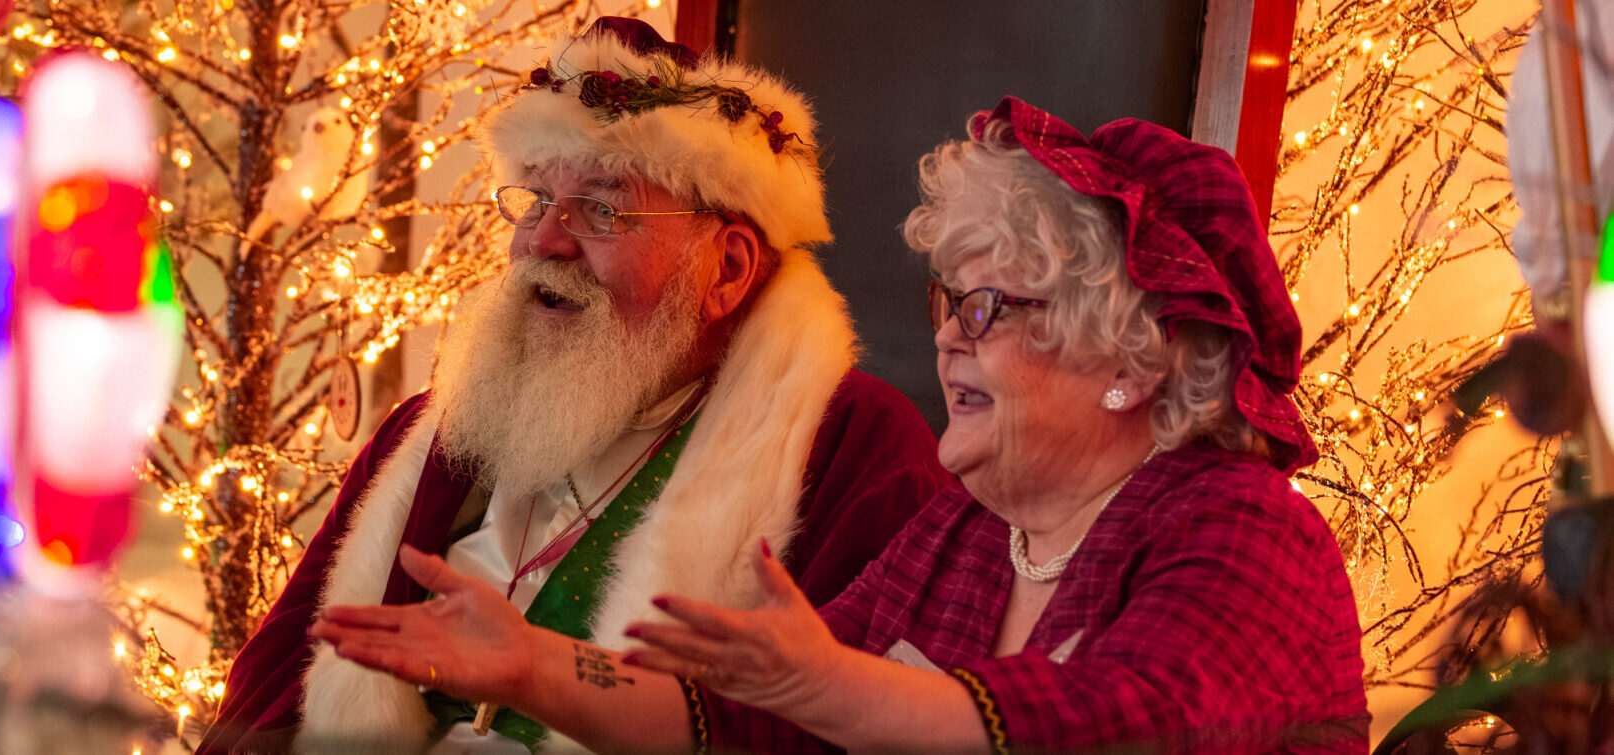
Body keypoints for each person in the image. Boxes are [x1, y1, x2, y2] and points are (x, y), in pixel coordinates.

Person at [312, 97, 1372, 754]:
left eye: (991, 306)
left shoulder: (1243, 528)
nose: (953, 339)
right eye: (949, 302)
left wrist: (829, 685)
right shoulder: (963, 533)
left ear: (1131, 361)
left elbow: (1132, 721)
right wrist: (534, 668)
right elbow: (751, 723)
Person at [198, 18, 949, 754]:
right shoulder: (435, 427)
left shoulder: (855, 448)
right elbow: (273, 688)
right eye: (532, 200)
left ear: (725, 269)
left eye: (601, 208)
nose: (543, 240)